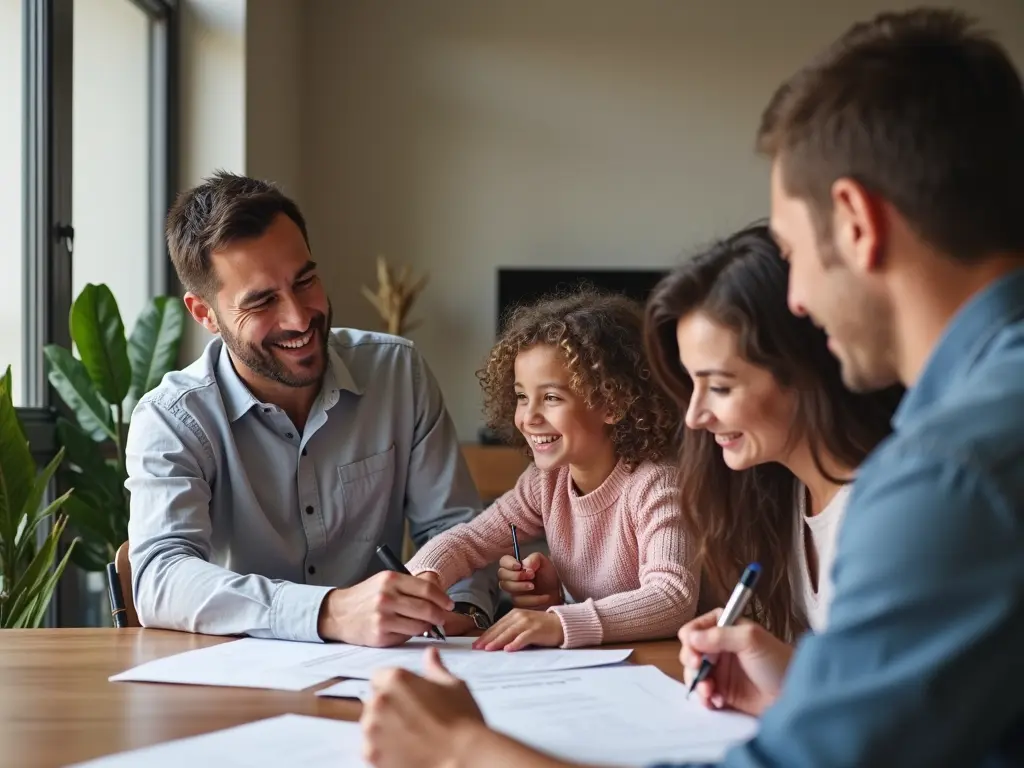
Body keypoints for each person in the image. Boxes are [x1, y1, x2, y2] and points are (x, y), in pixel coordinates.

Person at [359, 8, 1024, 767]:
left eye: (792, 250)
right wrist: (818, 685)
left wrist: (460, 749)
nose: (797, 299)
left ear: (857, 222)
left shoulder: (946, 471)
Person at [125, 171, 497, 645]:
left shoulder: (398, 372)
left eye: (305, 281)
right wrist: (328, 612)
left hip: (386, 672)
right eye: (261, 302)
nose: (299, 318)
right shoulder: (171, 418)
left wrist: (461, 606)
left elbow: (454, 528)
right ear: (204, 315)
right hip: (236, 678)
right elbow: (161, 577)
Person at [644, 223, 902, 640]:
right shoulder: (780, 493)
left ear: (803, 369)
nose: (694, 416)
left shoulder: (885, 509)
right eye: (692, 383)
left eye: (722, 387)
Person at [405, 290, 696, 650]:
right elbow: (470, 540)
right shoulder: (547, 481)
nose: (528, 417)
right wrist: (420, 579)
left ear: (613, 402)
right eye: (522, 397)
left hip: (674, 668)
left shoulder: (656, 484)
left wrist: (557, 621)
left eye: (552, 397)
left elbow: (672, 597)